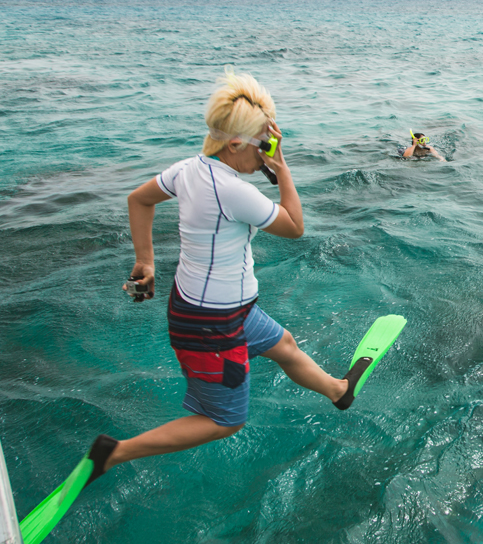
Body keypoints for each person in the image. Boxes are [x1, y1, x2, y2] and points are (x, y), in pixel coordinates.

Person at [83, 69, 363, 486]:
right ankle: (113, 454)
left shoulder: (188, 169)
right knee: (223, 421)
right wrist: (282, 169)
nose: (268, 152)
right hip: (212, 324)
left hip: (220, 307)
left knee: (283, 345)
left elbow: (138, 199)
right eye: (265, 144)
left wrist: (147, 261)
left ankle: (338, 392)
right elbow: (295, 226)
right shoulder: (232, 190)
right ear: (236, 144)